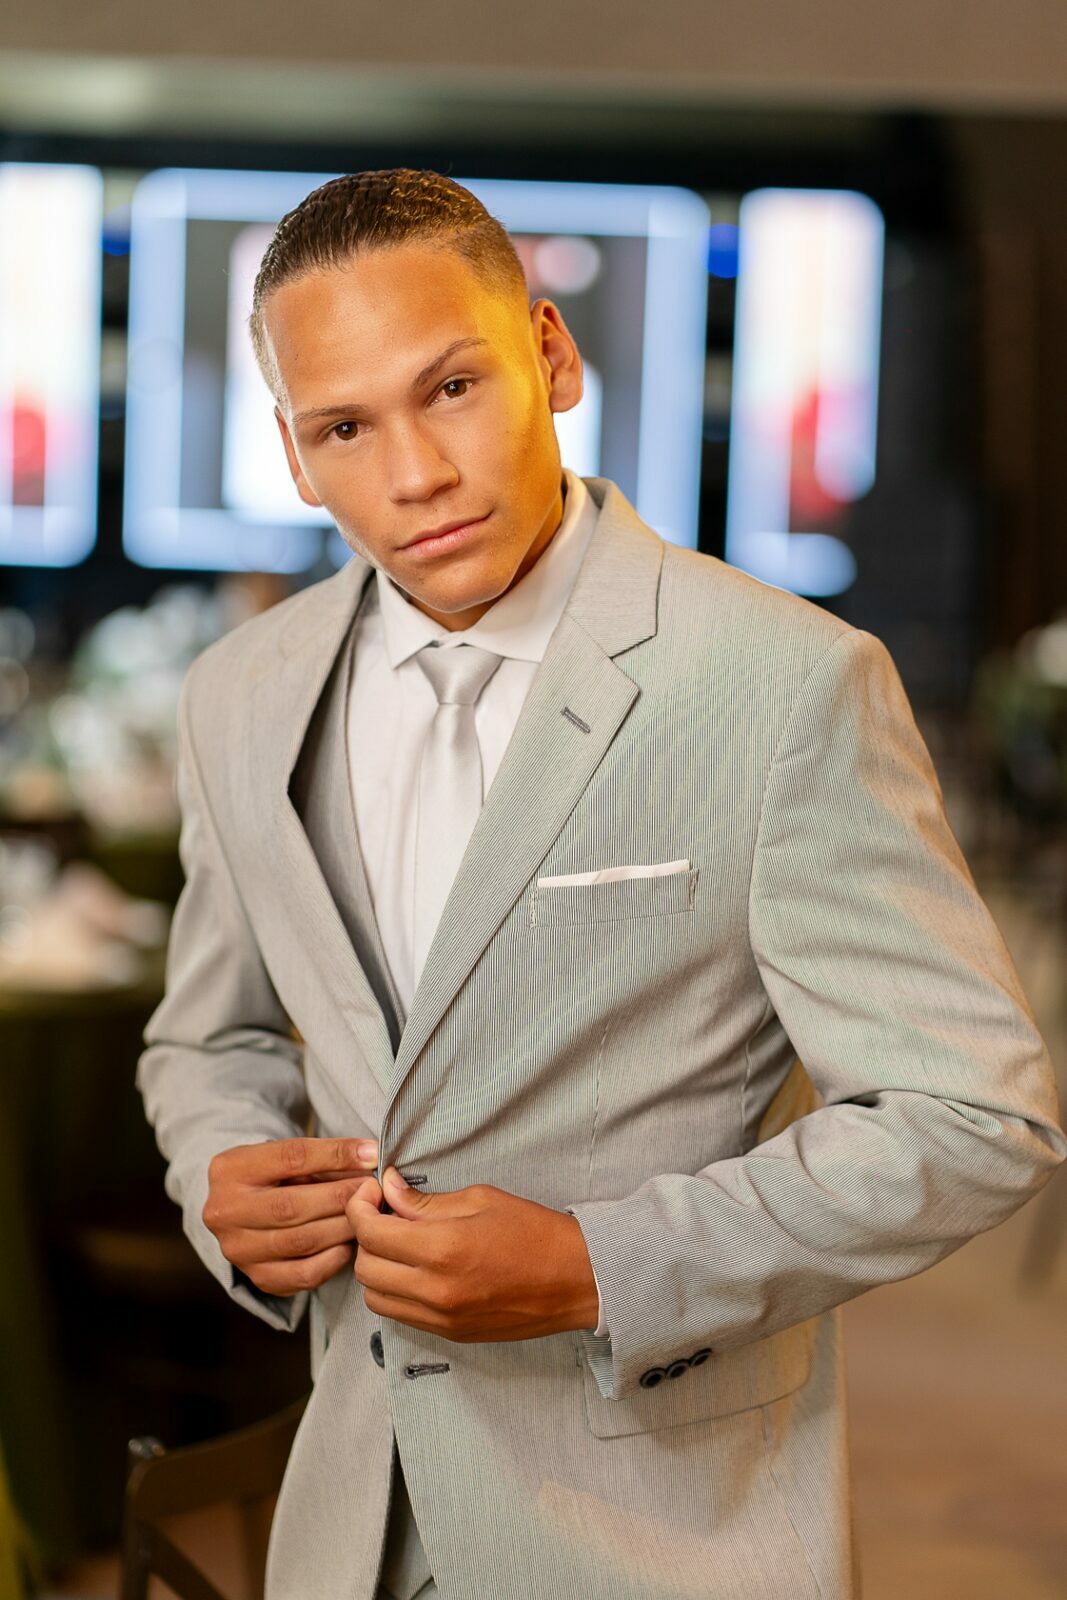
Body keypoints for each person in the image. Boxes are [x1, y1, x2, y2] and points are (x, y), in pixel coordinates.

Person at [137, 168, 1066, 1600]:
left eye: (452, 388)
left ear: (552, 356)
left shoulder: (786, 684)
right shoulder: (240, 693)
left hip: (661, 1532)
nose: (414, 474)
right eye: (345, 427)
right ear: (293, 455)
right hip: (347, 1520)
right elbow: (210, 1039)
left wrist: (601, 1266)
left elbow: (976, 1117)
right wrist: (224, 1175)